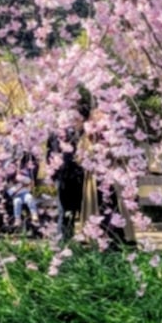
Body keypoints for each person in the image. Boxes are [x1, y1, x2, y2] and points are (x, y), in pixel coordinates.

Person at [47, 101, 89, 241]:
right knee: (64, 211)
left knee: (84, 209)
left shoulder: (86, 132)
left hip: (82, 176)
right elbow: (50, 154)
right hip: (63, 176)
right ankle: (64, 241)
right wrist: (53, 173)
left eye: (77, 118)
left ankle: (88, 239)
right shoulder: (56, 133)